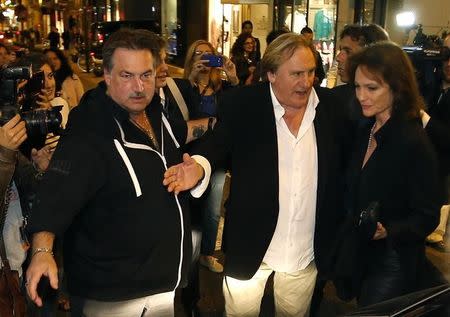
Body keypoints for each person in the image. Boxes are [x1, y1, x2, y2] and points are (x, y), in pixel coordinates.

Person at [25, 28, 211, 317]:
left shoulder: (156, 113)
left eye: (146, 75)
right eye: (127, 76)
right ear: (107, 75)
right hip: (112, 297)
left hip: (162, 287)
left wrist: (199, 165)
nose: (138, 86)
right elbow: (56, 190)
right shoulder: (90, 126)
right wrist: (42, 252)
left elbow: (183, 136)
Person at [165, 32, 350, 316]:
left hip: (305, 252)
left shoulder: (332, 108)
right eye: (297, 73)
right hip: (251, 248)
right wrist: (199, 166)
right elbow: (218, 143)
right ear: (272, 74)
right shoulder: (243, 103)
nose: (306, 82)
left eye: (311, 72)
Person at [338, 41, 440, 307]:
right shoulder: (366, 128)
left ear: (397, 87)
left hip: (394, 260)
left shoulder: (413, 142)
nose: (361, 96)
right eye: (357, 87)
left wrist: (389, 230)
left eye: (371, 88)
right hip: (362, 253)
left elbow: (428, 216)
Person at [182, 39, 238, 274]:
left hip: (216, 159)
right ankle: (188, 255)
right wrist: (191, 80)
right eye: (199, 54)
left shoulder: (222, 88)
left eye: (209, 55)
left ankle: (206, 253)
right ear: (192, 59)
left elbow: (238, 109)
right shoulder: (186, 88)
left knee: (213, 210)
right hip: (190, 157)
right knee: (192, 208)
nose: (204, 59)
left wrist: (233, 77)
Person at [0, 114, 53, 317]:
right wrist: (4, 154)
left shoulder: (7, 145)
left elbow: (33, 193)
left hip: (15, 268)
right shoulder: (5, 148)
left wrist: (41, 171)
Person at [423, 39, 450, 251]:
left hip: (443, 167)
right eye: (446, 58)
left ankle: (437, 230)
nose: (449, 64)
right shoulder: (430, 84)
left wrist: (423, 117)